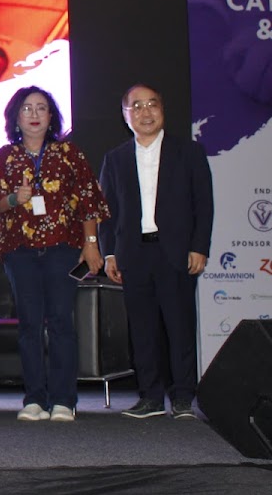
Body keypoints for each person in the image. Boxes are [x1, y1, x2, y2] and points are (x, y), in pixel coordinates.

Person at [0, 86, 109, 423]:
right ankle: (34, 398)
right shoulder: (3, 157)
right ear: (16, 117)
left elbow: (88, 199)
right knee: (29, 324)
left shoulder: (69, 153)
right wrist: (13, 199)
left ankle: (64, 399)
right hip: (19, 251)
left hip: (62, 248)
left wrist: (91, 242)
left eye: (41, 108)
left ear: (51, 116)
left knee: (62, 321)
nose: (34, 114)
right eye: (27, 108)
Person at [98, 84, 214, 420]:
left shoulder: (189, 152)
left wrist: (199, 247)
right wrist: (109, 253)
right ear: (125, 116)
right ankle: (149, 396)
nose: (145, 112)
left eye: (152, 104)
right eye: (136, 106)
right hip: (134, 254)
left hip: (175, 252)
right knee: (142, 329)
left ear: (162, 110)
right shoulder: (115, 158)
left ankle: (183, 397)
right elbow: (106, 211)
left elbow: (203, 204)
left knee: (179, 327)